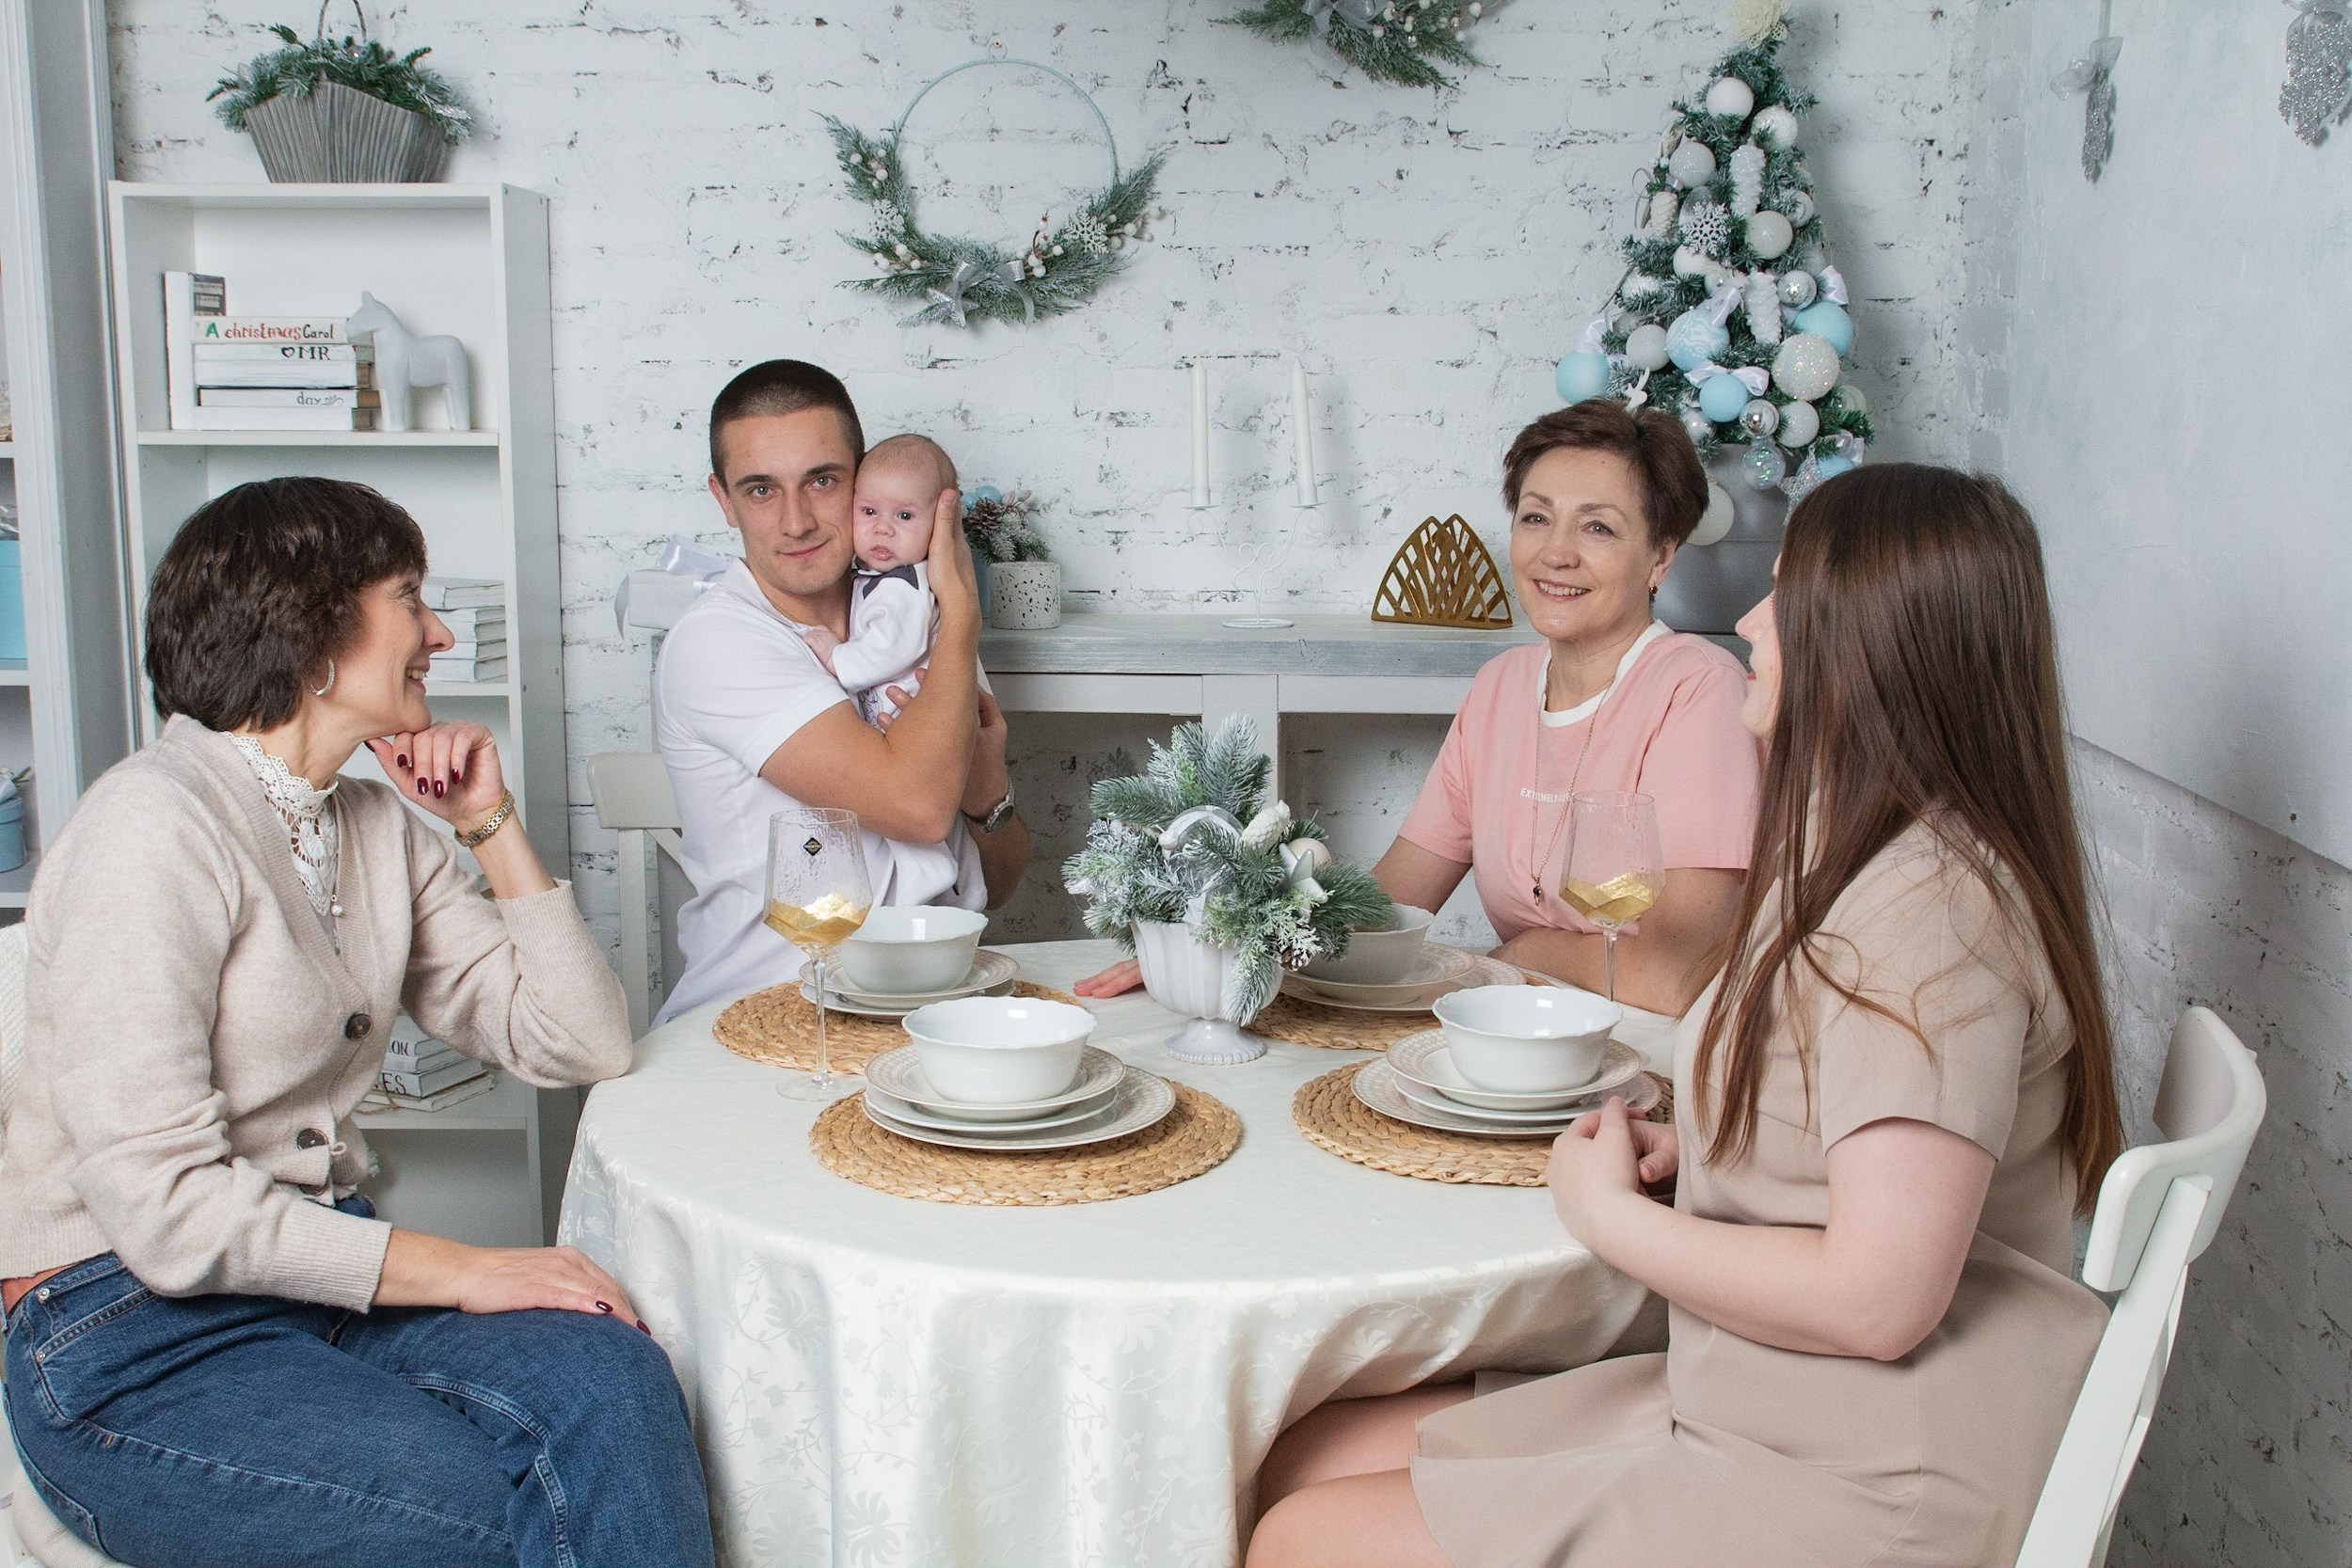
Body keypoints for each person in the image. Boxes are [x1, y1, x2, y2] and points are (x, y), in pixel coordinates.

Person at [1246, 464, 2124, 1568]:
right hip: (1753, 1386)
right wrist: (1707, 1148)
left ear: (1869, 645)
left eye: (1785, 591)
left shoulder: (1928, 917)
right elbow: (1849, 1126)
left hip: (1863, 1466)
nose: (1752, 618)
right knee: (1302, 1452)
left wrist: (1607, 1215)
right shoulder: (1858, 856)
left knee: (1303, 1538)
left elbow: (1879, 1299)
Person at [0, 477, 714, 1568]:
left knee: (610, 1368)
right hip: (124, 1334)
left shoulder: (369, 824)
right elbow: (165, 1211)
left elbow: (578, 1042)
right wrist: (470, 1269)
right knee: (499, 1504)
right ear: (315, 626)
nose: (438, 631)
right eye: (410, 596)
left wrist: (488, 821)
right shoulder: (151, 826)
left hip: (313, 1291)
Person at [1081, 400, 1759, 1057]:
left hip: (1650, 1054)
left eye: (1598, 528)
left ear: (1661, 557)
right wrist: (1222, 948)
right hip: (1519, 1043)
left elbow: (1673, 977)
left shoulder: (1697, 688)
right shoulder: (1501, 688)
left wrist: (1519, 956)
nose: (1556, 553)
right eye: (1536, 517)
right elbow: (1387, 905)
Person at [654, 361, 1028, 1024]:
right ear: (724, 500)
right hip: (763, 1013)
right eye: (761, 490)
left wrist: (985, 793)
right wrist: (965, 613)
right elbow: (917, 807)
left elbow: (998, 885)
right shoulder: (717, 640)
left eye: (822, 481)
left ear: (863, 477)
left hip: (918, 1009)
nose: (796, 521)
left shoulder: (909, 615)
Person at [800, 432, 956, 724]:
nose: (883, 528)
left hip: (908, 724)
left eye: (905, 516)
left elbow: (891, 648)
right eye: (869, 511)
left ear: (938, 523)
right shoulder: (881, 578)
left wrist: (837, 658)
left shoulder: (904, 588)